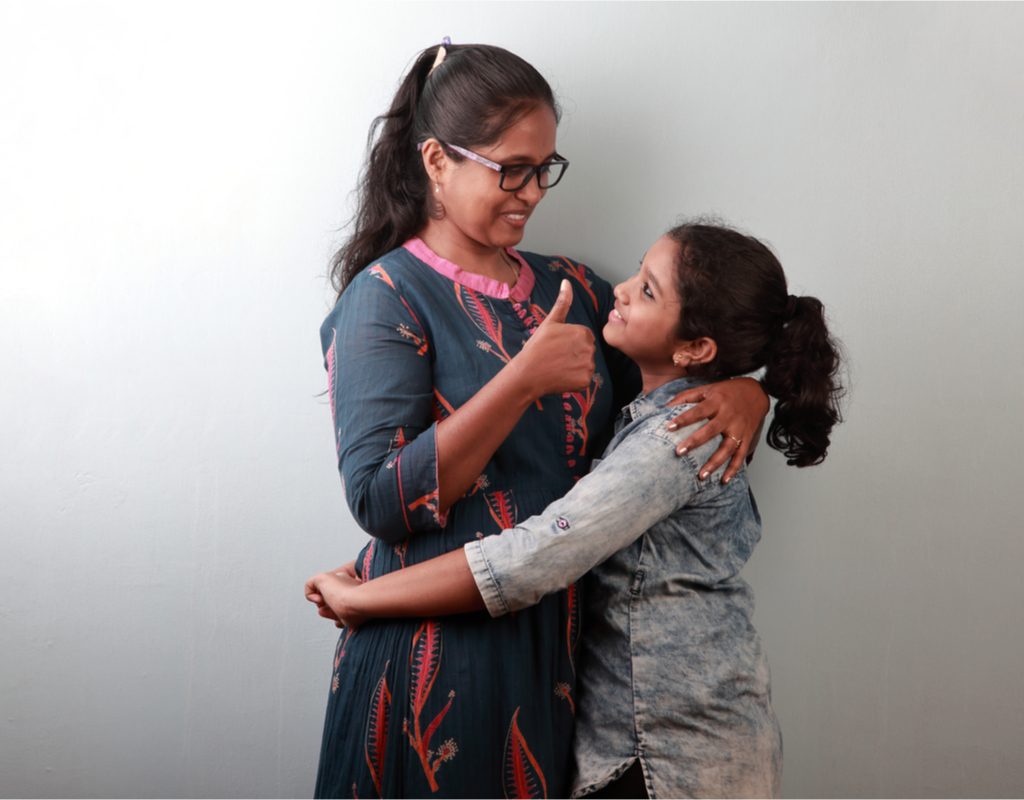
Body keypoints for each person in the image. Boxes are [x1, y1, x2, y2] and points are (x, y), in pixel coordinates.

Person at [312, 38, 770, 798]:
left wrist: (748, 393)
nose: (531, 192)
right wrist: (520, 381)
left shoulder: (577, 291)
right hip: (430, 661)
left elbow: (677, 386)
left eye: (544, 169)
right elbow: (381, 501)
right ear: (436, 162)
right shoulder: (385, 298)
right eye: (510, 170)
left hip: (556, 671)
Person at [308, 221, 844, 798]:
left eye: (646, 290)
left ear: (695, 349)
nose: (622, 289)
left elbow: (536, 556)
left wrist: (360, 599)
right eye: (638, 271)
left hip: (674, 754)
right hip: (643, 740)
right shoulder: (652, 414)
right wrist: (751, 389)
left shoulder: (676, 439)